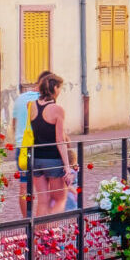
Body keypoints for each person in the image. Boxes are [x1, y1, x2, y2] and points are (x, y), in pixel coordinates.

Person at [27, 73, 75, 213]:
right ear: (54, 87)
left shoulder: (31, 106)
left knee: (43, 202)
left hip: (36, 158)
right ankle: (51, 233)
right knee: (60, 200)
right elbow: (60, 140)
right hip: (53, 159)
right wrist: (67, 167)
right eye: (59, 87)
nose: (60, 91)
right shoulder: (57, 110)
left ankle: (39, 234)